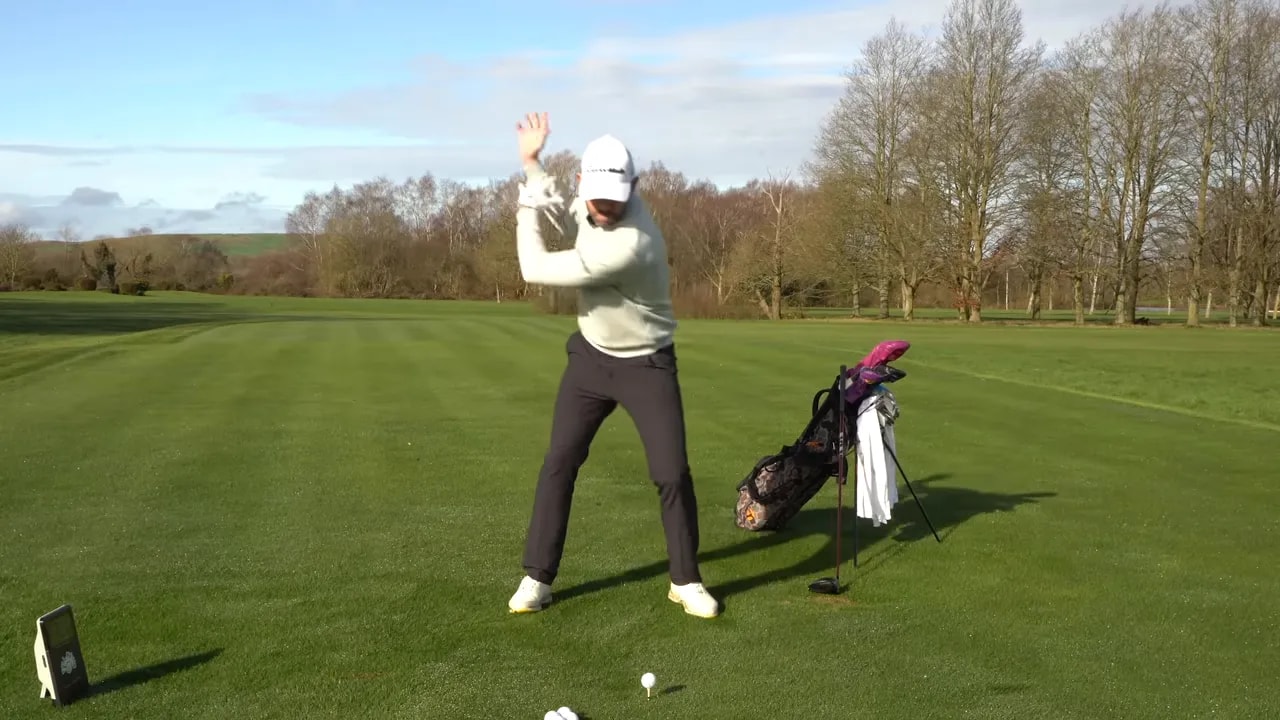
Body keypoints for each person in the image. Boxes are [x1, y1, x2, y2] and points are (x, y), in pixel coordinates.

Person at [505, 111, 719, 619]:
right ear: (584, 183)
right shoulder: (588, 200)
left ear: (634, 188)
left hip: (647, 363)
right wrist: (532, 165)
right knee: (559, 463)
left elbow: (533, 268)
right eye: (596, 199)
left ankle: (685, 580)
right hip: (590, 360)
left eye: (614, 202)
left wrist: (523, 202)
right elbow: (564, 212)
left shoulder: (632, 243)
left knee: (670, 473)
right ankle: (537, 577)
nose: (602, 209)